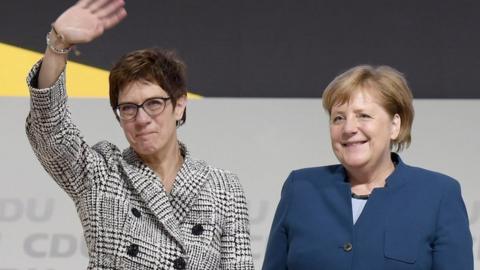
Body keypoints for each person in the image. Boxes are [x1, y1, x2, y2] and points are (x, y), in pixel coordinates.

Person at [25, 0, 254, 269]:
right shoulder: (102, 174)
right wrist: (58, 45)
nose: (142, 119)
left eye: (154, 104)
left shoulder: (222, 188)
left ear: (179, 105)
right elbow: (50, 133)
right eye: (129, 108)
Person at [262, 65, 473, 270]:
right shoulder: (300, 188)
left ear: (394, 125)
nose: (348, 128)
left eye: (363, 116)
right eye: (338, 118)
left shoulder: (439, 194)